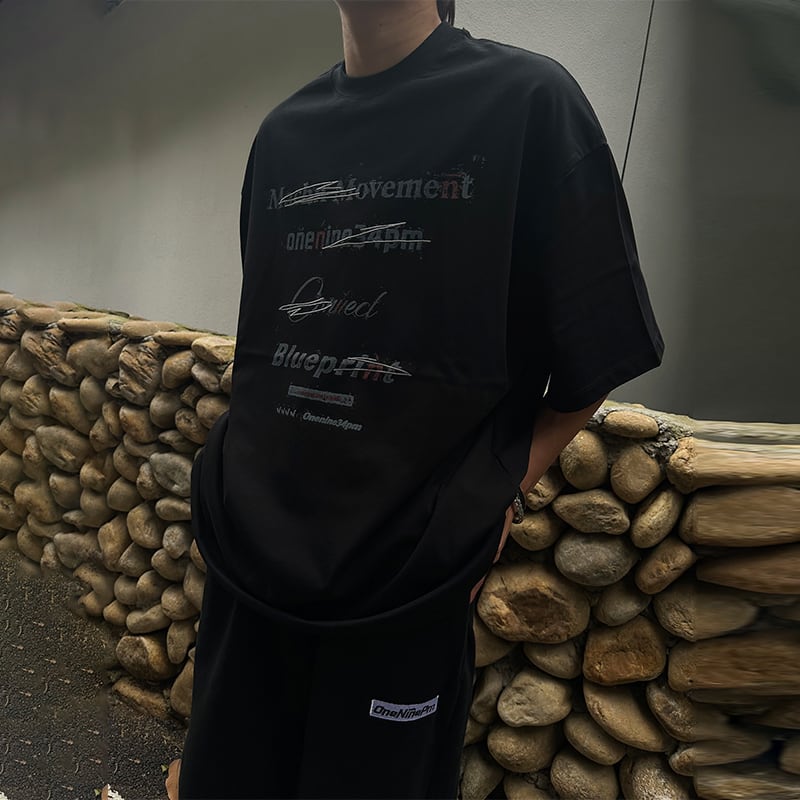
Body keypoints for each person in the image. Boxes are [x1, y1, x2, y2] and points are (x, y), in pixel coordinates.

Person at [176, 1, 664, 797]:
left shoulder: (528, 106)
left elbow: (597, 355)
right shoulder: (282, 135)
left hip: (402, 586)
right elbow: (271, 344)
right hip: (248, 572)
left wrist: (497, 494)